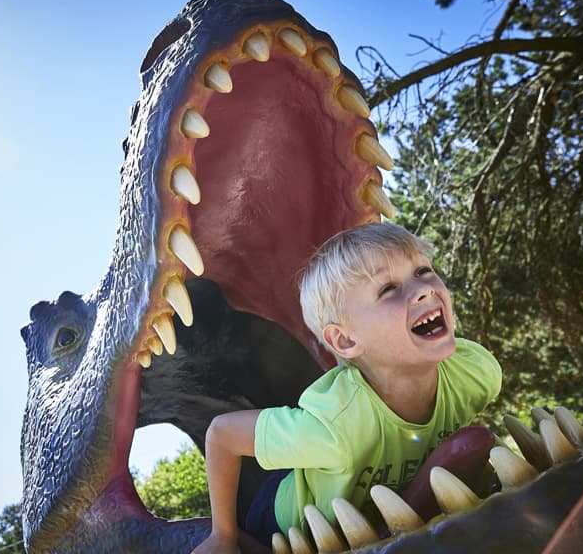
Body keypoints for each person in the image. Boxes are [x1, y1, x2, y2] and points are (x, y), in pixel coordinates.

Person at [191, 222, 502, 553]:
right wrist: (222, 535)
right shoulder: (334, 426)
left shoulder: (476, 373)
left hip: (369, 493)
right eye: (388, 289)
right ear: (345, 339)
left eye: (423, 271)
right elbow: (221, 433)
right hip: (280, 517)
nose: (424, 289)